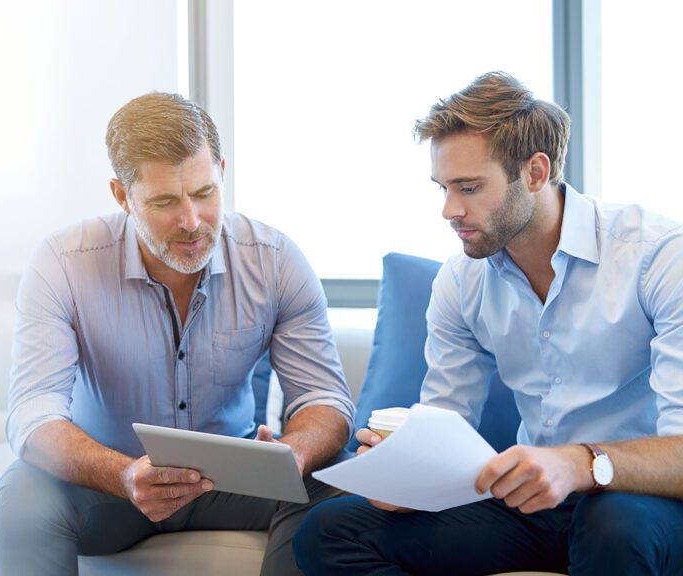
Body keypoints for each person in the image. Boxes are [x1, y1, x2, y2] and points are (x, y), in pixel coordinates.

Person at [293, 71, 683, 575]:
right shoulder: (462, 280)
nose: (449, 210)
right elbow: (446, 424)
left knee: (612, 525)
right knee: (328, 533)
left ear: (536, 173)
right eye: (444, 188)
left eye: (470, 188)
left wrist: (580, 463)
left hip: (641, 499)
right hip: (536, 507)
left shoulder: (657, 257)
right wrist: (407, 476)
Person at [0, 92, 355, 575]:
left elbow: (325, 398)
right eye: (164, 201)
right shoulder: (63, 262)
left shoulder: (274, 259)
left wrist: (295, 451)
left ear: (221, 170)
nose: (191, 222)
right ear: (122, 196)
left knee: (337, 479)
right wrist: (123, 475)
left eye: (204, 193)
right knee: (22, 493)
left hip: (235, 483)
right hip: (110, 485)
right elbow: (33, 413)